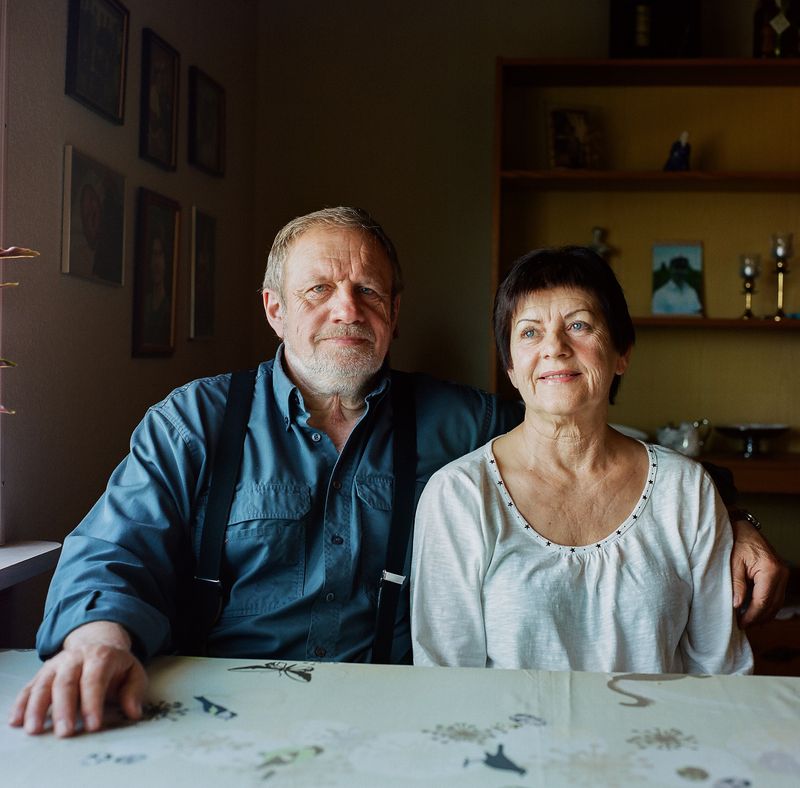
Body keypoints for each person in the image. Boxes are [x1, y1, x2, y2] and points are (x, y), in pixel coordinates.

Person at [9, 209, 785, 738]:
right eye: (320, 289)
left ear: (394, 311)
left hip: (388, 718)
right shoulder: (197, 421)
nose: (347, 308)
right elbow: (116, 547)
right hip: (215, 707)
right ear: (275, 309)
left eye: (368, 290)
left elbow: (583, 441)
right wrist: (97, 640)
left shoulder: (457, 424)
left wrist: (727, 513)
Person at [411, 247, 752, 674]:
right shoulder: (458, 496)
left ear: (622, 352)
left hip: (656, 738)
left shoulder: (685, 489)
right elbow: (446, 683)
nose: (554, 347)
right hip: (511, 740)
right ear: (512, 367)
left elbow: (721, 672)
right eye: (530, 332)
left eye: (578, 325)